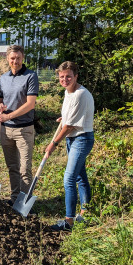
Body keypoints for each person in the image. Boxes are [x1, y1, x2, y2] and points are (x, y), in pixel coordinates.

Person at [46, 61, 94, 231]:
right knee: (80, 176)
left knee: (69, 178)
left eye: (68, 76)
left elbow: (69, 126)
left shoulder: (81, 94)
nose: (64, 79)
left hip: (82, 138)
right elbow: (70, 117)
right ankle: (86, 213)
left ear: (76, 76)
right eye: (61, 77)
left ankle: (69, 222)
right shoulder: (68, 92)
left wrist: (53, 144)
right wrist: (64, 117)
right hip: (73, 138)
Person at [0, 45, 39, 204]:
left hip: (24, 129)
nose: (15, 61)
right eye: (12, 58)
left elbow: (30, 104)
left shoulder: (30, 76)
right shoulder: (3, 78)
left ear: (23, 58)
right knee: (12, 167)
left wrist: (9, 116)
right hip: (6, 131)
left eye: (18, 58)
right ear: (8, 59)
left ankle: (25, 202)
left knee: (24, 170)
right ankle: (15, 199)